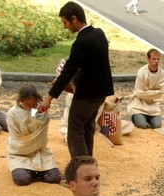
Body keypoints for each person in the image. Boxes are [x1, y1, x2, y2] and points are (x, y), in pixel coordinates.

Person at [38, 1, 114, 158]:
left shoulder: (81, 42)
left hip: (86, 95)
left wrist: (49, 99)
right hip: (101, 94)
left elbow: (67, 73)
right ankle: (88, 166)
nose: (65, 26)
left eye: (65, 22)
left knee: (75, 129)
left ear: (74, 19)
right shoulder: (99, 34)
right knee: (87, 127)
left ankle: (80, 171)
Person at [6, 85, 62, 186]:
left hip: (39, 152)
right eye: (28, 104)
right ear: (21, 100)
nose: (31, 107)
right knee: (22, 179)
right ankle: (29, 172)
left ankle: (35, 172)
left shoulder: (37, 110)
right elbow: (17, 139)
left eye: (34, 104)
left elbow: (41, 132)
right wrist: (30, 141)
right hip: (20, 154)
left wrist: (40, 112)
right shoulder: (12, 113)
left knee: (54, 177)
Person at [127, 48, 164, 129]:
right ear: (148, 59)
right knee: (141, 125)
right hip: (139, 104)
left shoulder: (162, 74)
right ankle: (136, 116)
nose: (156, 61)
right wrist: (154, 92)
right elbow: (139, 93)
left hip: (153, 104)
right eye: (153, 59)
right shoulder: (142, 72)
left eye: (158, 59)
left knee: (157, 125)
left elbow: (160, 93)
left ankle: (148, 117)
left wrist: (147, 93)